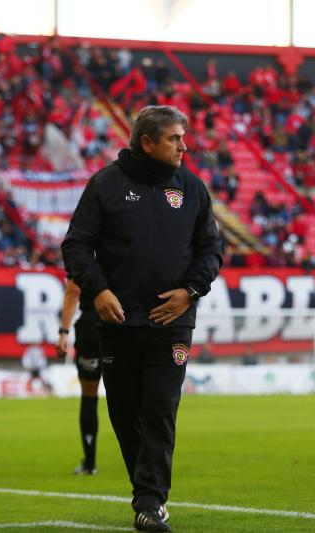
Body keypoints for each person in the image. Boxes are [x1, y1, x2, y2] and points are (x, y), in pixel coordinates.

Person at [62, 105, 222, 532]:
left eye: (183, 138)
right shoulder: (106, 185)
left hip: (173, 322)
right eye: (174, 138)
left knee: (160, 409)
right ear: (147, 142)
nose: (183, 146)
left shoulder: (192, 189)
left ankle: (150, 502)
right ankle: (146, 493)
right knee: (123, 412)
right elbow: (76, 245)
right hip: (117, 321)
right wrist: (98, 290)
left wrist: (190, 292)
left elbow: (211, 251)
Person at [56, 277, 102, 475]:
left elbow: (73, 291)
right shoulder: (127, 248)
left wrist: (63, 332)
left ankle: (90, 463)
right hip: (124, 324)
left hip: (92, 328)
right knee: (129, 396)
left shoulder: (84, 251)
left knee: (89, 395)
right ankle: (141, 463)